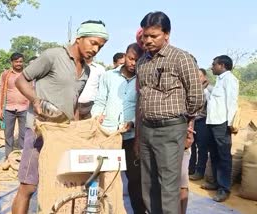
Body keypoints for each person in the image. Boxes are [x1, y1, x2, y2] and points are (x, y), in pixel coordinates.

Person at [11, 20, 109, 214]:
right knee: (28, 186)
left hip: (63, 136)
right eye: (93, 43)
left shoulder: (87, 71)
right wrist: (36, 100)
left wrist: (77, 128)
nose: (96, 49)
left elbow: (73, 103)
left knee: (58, 184)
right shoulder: (53, 56)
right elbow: (22, 79)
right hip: (39, 131)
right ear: (79, 38)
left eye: (101, 46)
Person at [136, 11, 204, 214]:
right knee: (148, 183)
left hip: (171, 129)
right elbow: (141, 97)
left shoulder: (180, 58)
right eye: (145, 36)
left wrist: (184, 123)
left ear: (167, 34)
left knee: (168, 184)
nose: (148, 41)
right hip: (147, 129)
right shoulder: (142, 62)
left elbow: (196, 96)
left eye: (153, 36)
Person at [91, 43, 145, 214]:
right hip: (107, 134)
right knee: (103, 176)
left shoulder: (143, 79)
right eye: (130, 59)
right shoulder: (108, 76)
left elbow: (143, 107)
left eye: (137, 60)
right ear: (125, 56)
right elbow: (100, 100)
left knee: (135, 180)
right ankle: (100, 209)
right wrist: (96, 116)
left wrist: (132, 123)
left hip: (130, 137)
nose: (133, 63)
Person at [201, 55, 239, 202]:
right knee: (215, 154)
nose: (212, 67)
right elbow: (215, 100)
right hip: (212, 122)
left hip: (222, 124)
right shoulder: (219, 81)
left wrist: (230, 124)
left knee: (224, 157)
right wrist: (207, 87)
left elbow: (232, 102)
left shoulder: (230, 80)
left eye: (214, 64)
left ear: (222, 65)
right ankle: (216, 183)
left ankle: (224, 189)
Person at [0, 52, 29, 158]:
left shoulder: (28, 74)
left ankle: (21, 159)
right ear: (12, 62)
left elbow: (33, 90)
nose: (19, 64)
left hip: (25, 109)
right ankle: (8, 158)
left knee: (24, 135)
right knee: (8, 135)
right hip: (8, 109)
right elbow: (0, 91)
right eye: (16, 62)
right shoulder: (6, 74)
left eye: (20, 61)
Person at [189, 68, 214, 179]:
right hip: (192, 121)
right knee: (191, 146)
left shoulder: (210, 89)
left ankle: (200, 171)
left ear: (204, 77)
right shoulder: (192, 89)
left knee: (202, 147)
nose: (197, 78)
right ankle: (191, 169)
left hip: (203, 122)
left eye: (199, 76)